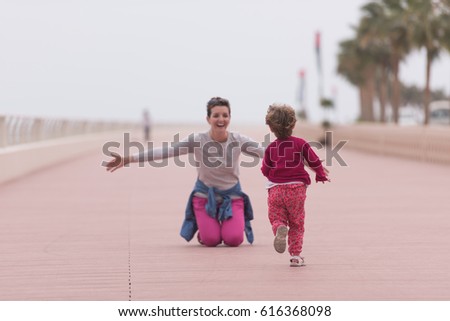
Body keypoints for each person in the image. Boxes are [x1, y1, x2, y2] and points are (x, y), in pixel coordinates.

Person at [106, 97, 264, 247]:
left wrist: (287, 152)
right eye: (216, 115)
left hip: (232, 196)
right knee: (211, 240)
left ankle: (229, 223)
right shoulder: (197, 140)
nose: (221, 119)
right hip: (204, 197)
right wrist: (128, 159)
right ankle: (205, 229)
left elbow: (266, 152)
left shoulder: (238, 140)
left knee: (233, 240)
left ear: (230, 117)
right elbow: (167, 151)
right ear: (208, 119)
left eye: (225, 115)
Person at [261, 104, 329, 267]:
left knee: (276, 217)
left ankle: (279, 227)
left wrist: (274, 176)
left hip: (276, 190)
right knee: (297, 223)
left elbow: (265, 169)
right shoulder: (300, 143)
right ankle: (296, 256)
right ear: (293, 124)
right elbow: (313, 161)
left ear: (270, 127)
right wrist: (320, 175)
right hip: (296, 190)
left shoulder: (271, 148)